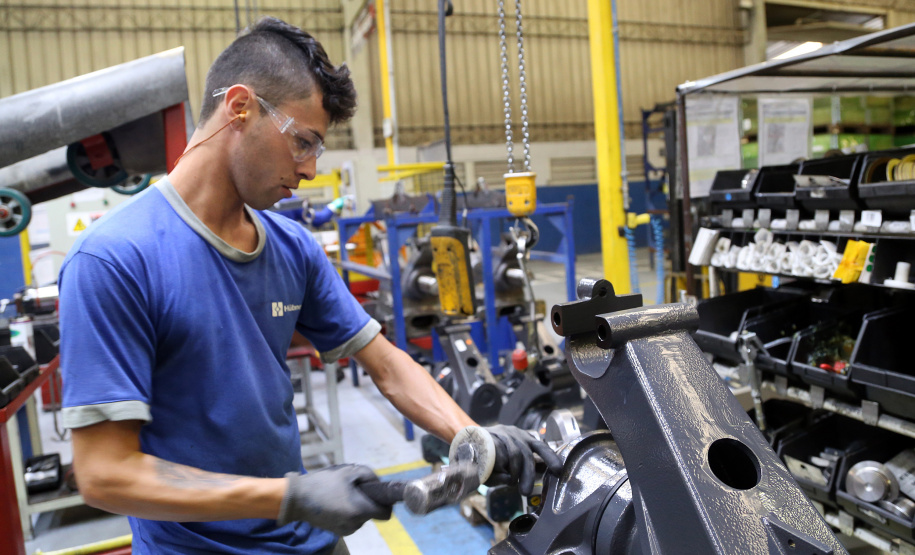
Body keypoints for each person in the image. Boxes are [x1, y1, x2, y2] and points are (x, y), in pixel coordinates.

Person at [58, 16, 561, 555]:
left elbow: (386, 364)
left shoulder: (291, 246)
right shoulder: (114, 259)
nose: (310, 170)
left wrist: (472, 437)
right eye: (303, 142)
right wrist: (289, 496)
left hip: (307, 542)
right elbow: (105, 473)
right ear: (240, 107)